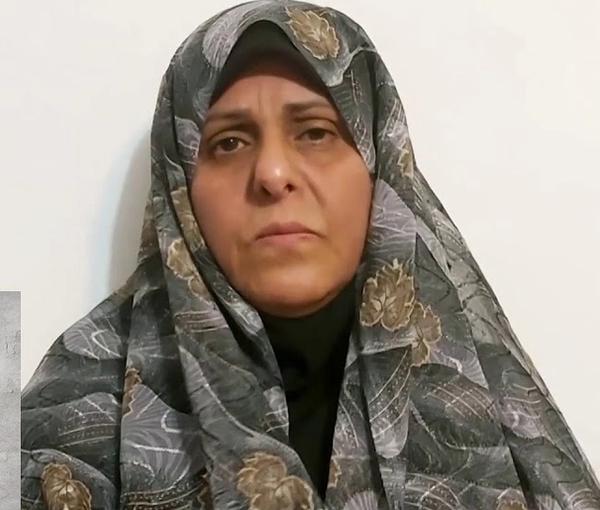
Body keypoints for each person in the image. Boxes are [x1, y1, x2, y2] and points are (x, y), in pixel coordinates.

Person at [21, 1, 600, 509]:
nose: (273, 174)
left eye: (316, 132)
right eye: (228, 142)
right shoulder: (74, 417)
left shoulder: (496, 405)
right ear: (180, 190)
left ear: (379, 165)